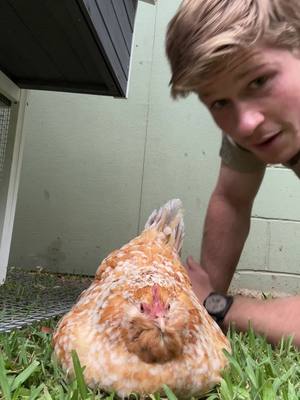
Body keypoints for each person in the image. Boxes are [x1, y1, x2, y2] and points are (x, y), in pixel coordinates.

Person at [165, 0, 300, 347]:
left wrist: (220, 306)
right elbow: (231, 199)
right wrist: (204, 300)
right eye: (220, 103)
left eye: (259, 81)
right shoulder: (251, 126)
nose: (245, 124)